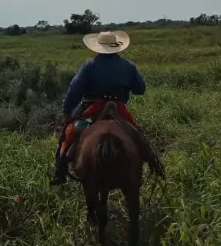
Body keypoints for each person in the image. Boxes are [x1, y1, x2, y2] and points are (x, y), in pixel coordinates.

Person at [51, 30, 151, 186]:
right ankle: (152, 162)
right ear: (117, 47)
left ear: (98, 47)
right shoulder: (128, 66)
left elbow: (74, 89)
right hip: (119, 110)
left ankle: (60, 169)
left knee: (68, 133)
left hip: (92, 110)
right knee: (138, 134)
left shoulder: (89, 65)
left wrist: (67, 111)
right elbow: (141, 89)